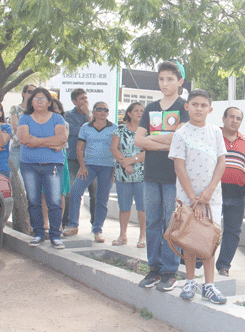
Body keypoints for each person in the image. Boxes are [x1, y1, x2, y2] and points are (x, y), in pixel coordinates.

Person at [134, 61, 189, 292]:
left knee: (170, 222)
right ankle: (154, 269)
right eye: (161, 79)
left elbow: (179, 139)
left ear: (180, 82)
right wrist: (164, 141)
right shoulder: (150, 108)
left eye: (169, 79)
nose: (164, 83)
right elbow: (138, 140)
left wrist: (152, 141)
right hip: (151, 174)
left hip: (174, 175)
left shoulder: (184, 107)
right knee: (153, 222)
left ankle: (169, 270)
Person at [169, 89, 228, 304]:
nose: (199, 109)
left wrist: (209, 191)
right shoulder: (181, 134)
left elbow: (221, 162)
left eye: (204, 105)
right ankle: (190, 281)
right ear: (187, 107)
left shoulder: (216, 133)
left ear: (210, 109)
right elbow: (179, 167)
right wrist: (194, 200)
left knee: (209, 240)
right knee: (189, 239)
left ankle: (209, 286)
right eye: (195, 104)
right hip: (187, 199)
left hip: (212, 199)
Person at [17, 87, 68, 249]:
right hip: (29, 165)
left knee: (54, 201)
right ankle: (38, 233)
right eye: (35, 98)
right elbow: (24, 139)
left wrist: (37, 141)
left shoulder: (57, 118)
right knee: (33, 201)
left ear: (49, 102)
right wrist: (51, 143)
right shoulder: (25, 118)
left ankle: (55, 235)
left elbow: (62, 139)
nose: (39, 101)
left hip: (52, 165)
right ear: (31, 101)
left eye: (42, 98)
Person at [63, 101, 117, 242]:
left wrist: (115, 170)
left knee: (102, 198)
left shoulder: (115, 128)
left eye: (105, 109)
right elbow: (79, 148)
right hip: (89, 166)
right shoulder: (85, 127)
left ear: (108, 112)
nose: (102, 112)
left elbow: (118, 149)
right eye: (98, 109)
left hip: (107, 167)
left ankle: (97, 230)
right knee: (75, 191)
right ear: (93, 112)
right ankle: (73, 225)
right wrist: (82, 166)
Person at [215, 107, 245, 277]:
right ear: (223, 118)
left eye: (238, 118)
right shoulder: (213, 136)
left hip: (237, 195)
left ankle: (224, 265)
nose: (234, 121)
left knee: (232, 232)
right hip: (214, 192)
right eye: (231, 117)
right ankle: (199, 260)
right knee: (208, 229)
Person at [111, 102, 147, 248]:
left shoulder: (147, 131)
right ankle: (123, 235)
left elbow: (148, 151)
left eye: (142, 111)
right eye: (136, 110)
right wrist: (125, 164)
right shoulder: (120, 129)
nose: (139, 113)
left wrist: (131, 161)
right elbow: (114, 148)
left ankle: (143, 236)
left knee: (142, 207)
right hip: (123, 173)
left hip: (142, 174)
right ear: (129, 113)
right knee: (124, 206)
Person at [63, 88, 96, 229]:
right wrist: (86, 129)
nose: (85, 101)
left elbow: (95, 130)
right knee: (70, 192)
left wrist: (89, 114)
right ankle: (68, 222)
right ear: (74, 101)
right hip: (73, 160)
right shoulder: (68, 115)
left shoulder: (93, 115)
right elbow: (74, 131)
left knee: (95, 194)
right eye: (81, 98)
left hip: (91, 161)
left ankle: (96, 224)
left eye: (86, 98)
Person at [41, 99, 71, 232]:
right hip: (42, 160)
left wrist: (47, 143)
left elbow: (62, 143)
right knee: (43, 192)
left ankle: (57, 223)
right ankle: (45, 222)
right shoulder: (40, 123)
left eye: (57, 108)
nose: (55, 110)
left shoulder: (65, 124)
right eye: (52, 108)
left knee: (60, 193)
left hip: (59, 161)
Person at [9, 84, 36, 171]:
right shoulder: (15, 108)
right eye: (30, 91)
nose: (32, 94)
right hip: (18, 147)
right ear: (23, 93)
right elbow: (15, 126)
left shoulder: (36, 110)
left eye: (34, 92)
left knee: (31, 178)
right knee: (13, 175)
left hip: (32, 148)